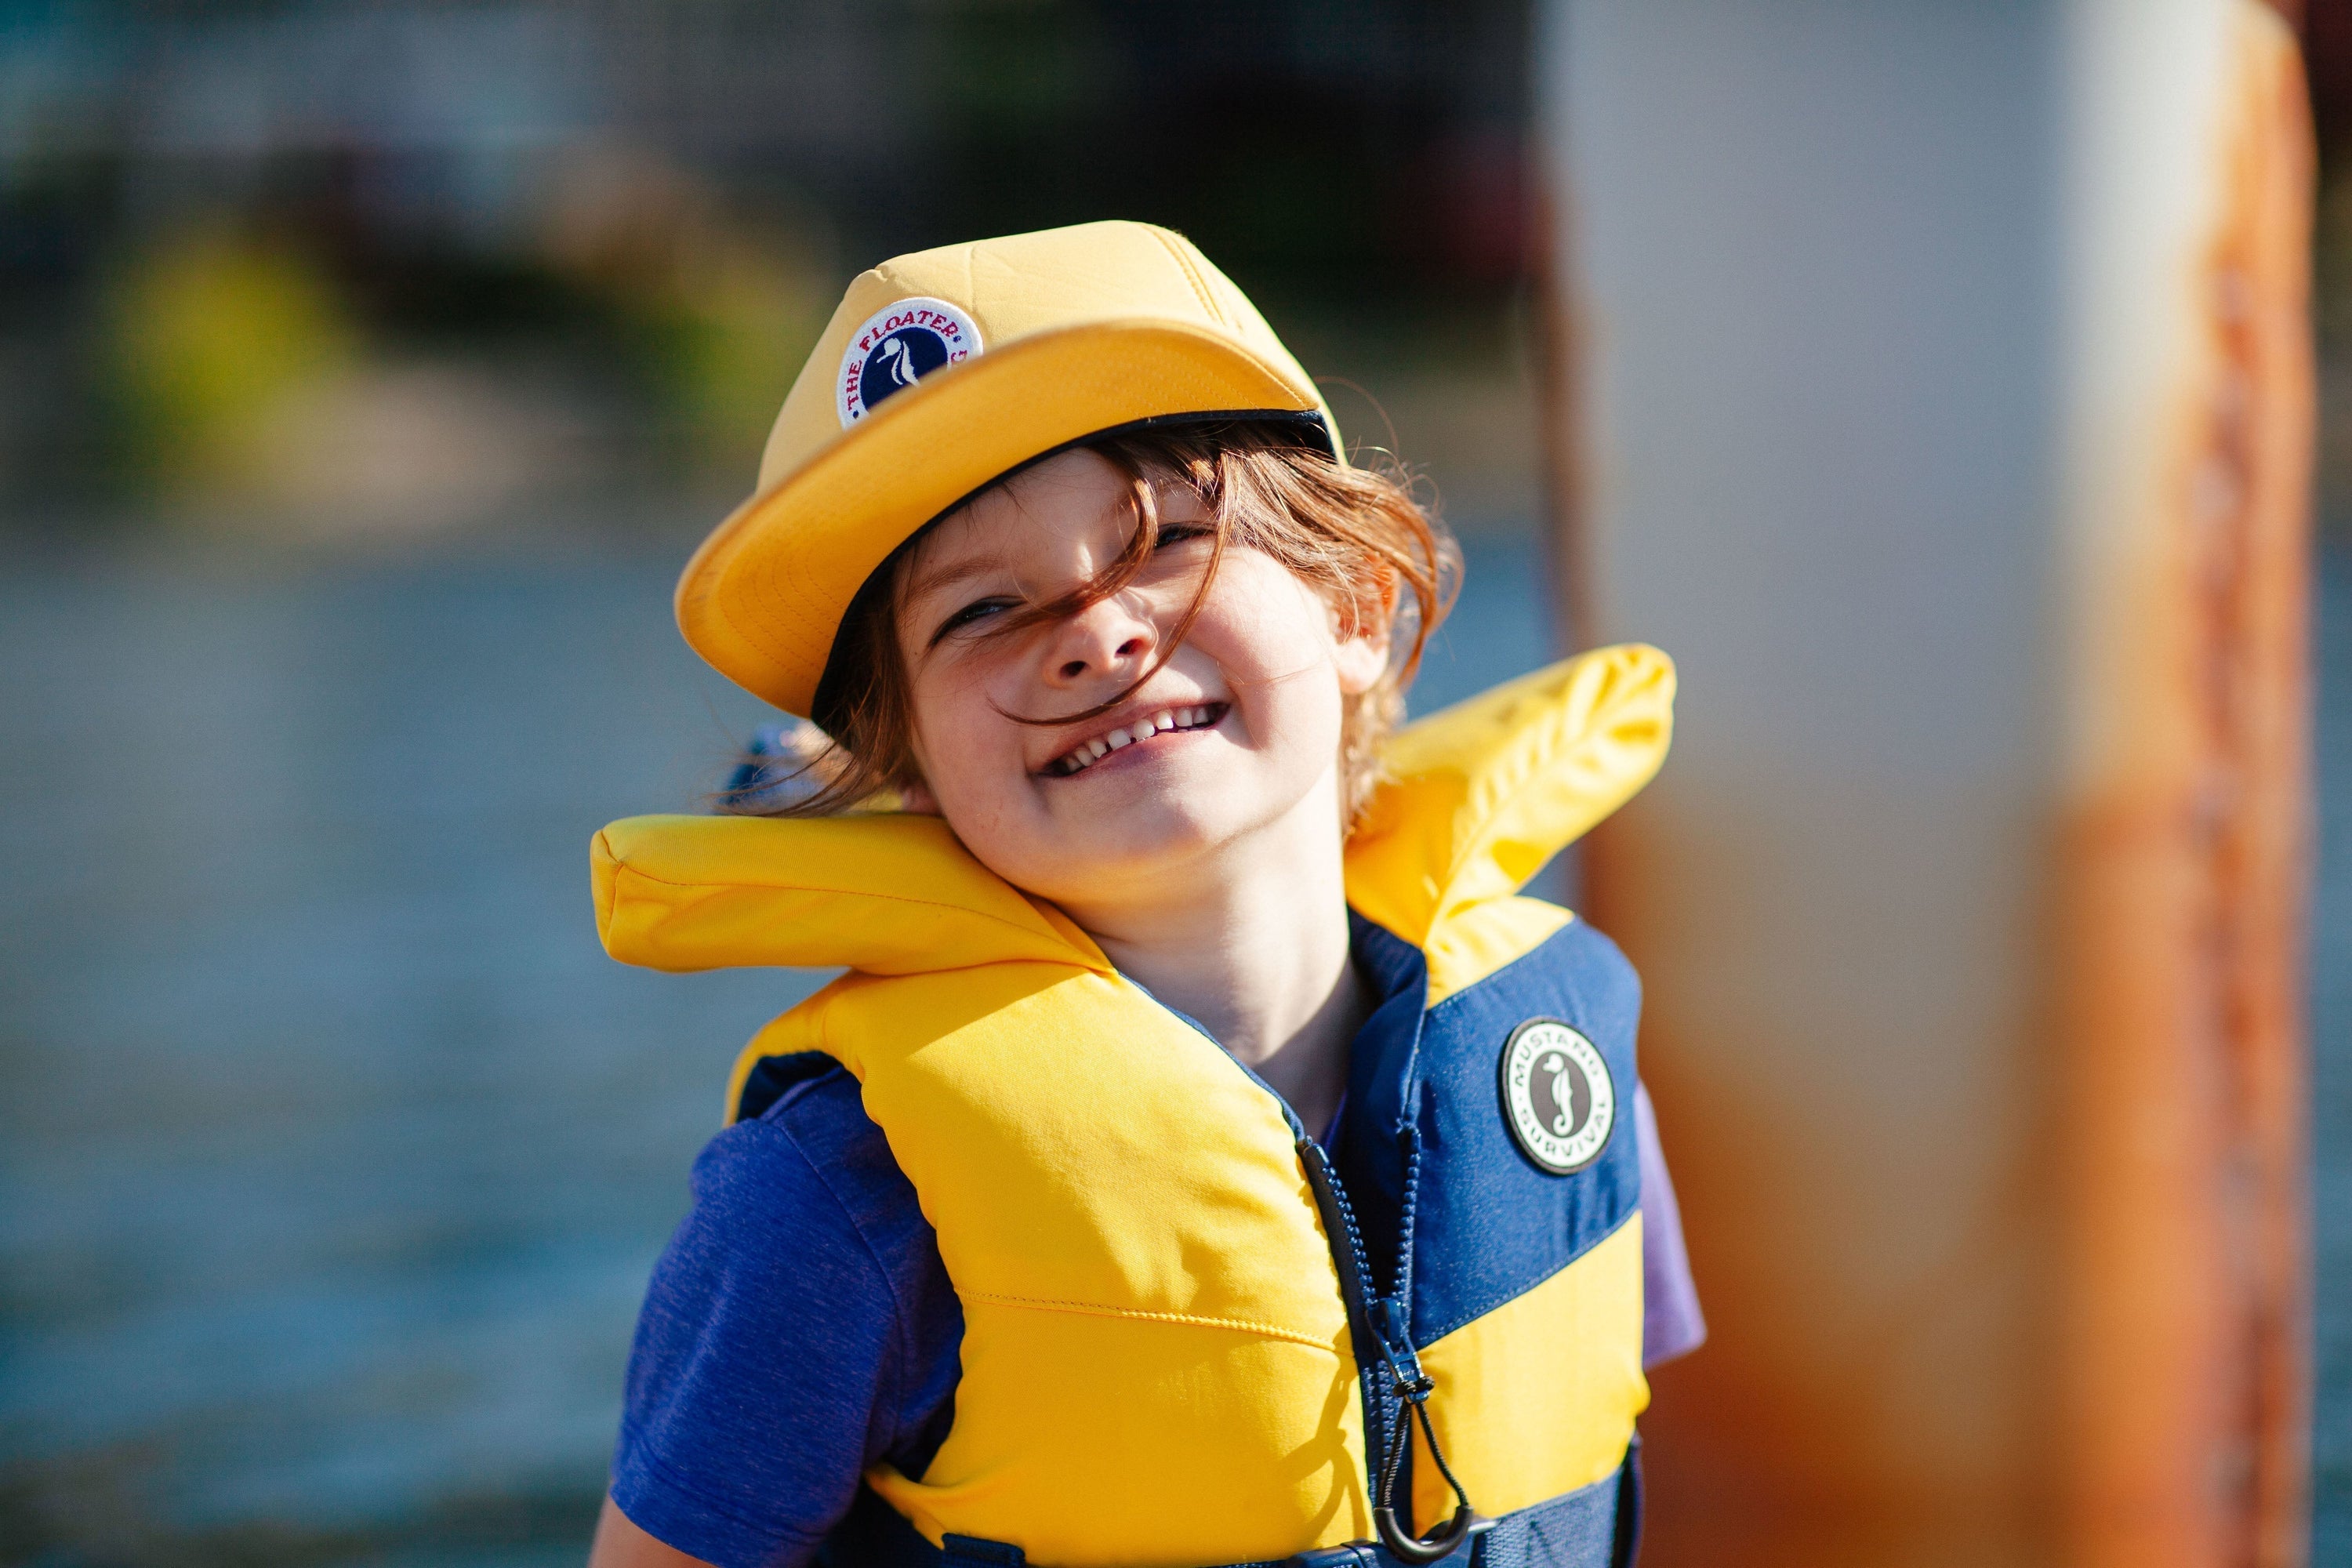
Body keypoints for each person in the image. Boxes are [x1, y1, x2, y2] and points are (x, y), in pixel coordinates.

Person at [586, 220, 1702, 1568]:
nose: (1096, 631)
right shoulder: (834, 1193)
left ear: (1356, 607)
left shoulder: (1557, 1070)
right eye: (978, 613)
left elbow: (1637, 1450)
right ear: (910, 765)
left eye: (1167, 537)